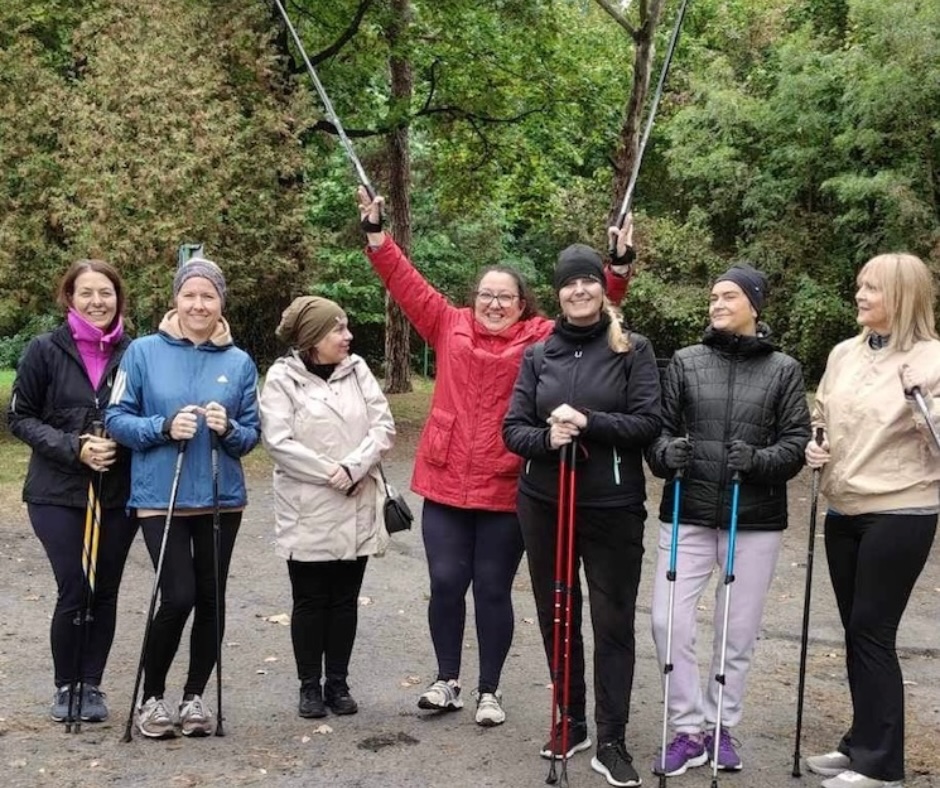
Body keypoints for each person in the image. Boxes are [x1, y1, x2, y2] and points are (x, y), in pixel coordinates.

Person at [356, 188, 635, 727]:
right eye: (486, 294)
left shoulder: (539, 337)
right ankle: (446, 680)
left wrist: (616, 268)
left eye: (506, 296)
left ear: (523, 302)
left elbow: (591, 308)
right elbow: (403, 280)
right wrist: (376, 234)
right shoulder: (446, 322)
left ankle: (489, 689)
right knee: (445, 582)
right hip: (444, 479)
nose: (494, 304)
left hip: (506, 482)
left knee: (491, 587)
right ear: (474, 297)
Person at [502, 244, 662, 788]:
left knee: (612, 620)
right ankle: (570, 720)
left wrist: (588, 421)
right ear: (559, 293)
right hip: (544, 502)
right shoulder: (538, 353)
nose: (579, 291)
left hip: (612, 506)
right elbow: (513, 429)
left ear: (602, 288)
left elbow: (646, 423)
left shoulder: (631, 348)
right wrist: (548, 437)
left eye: (588, 282)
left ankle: (611, 735)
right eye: (569, 284)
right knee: (557, 612)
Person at [645, 263, 810, 778]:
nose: (716, 303)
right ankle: (687, 728)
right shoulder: (686, 363)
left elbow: (796, 445)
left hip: (753, 517)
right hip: (688, 511)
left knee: (734, 632)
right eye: (713, 296)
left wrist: (759, 461)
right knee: (666, 621)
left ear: (754, 305)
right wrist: (666, 453)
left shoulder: (784, 369)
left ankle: (721, 726)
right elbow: (658, 432)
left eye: (729, 295)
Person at [105, 257, 260, 739]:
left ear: (221, 303)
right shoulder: (143, 353)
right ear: (176, 299)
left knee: (212, 598)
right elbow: (116, 419)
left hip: (219, 496)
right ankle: (151, 698)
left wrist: (228, 428)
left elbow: (252, 434)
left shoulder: (238, 361)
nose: (198, 304)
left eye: (208, 296)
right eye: (190, 295)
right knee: (178, 595)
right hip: (161, 495)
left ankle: (195, 697)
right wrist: (163, 426)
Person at [803, 253, 940, 788]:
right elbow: (822, 415)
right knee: (856, 632)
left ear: (903, 297)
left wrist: (920, 404)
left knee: (872, 631)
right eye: (859, 285)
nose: (860, 296)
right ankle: (860, 741)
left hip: (902, 507)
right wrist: (817, 446)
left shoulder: (933, 359)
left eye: (873, 289)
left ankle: (881, 764)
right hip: (844, 507)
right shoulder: (843, 353)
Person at [8, 259, 135, 724]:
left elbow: (143, 413)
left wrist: (121, 440)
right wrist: (73, 448)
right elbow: (19, 417)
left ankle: (92, 684)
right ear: (70, 298)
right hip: (57, 492)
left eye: (106, 293)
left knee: (104, 590)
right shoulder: (44, 350)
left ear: (118, 299)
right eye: (87, 293)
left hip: (117, 492)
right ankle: (67, 684)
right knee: (76, 585)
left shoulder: (135, 353)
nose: (97, 302)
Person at [259, 296, 395, 719]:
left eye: (346, 327)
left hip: (355, 499)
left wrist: (353, 468)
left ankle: (337, 681)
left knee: (345, 599)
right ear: (314, 338)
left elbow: (383, 425)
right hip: (308, 505)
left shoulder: (358, 371)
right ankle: (308, 686)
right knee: (310, 599)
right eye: (338, 329)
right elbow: (279, 442)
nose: (348, 336)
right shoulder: (283, 379)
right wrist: (331, 472)